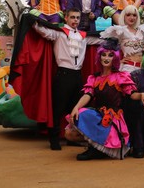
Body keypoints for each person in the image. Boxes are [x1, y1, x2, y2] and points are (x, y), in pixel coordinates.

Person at [32, 8, 103, 150]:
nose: (75, 20)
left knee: (75, 108)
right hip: (63, 75)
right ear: (66, 18)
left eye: (77, 17)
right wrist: (32, 20)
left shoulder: (84, 36)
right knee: (58, 109)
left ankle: (71, 137)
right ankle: (54, 139)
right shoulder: (58, 34)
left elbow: (99, 39)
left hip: (77, 76)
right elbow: (43, 31)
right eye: (72, 17)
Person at [65, 41, 139, 160]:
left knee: (86, 114)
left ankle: (96, 149)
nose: (106, 58)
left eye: (110, 55)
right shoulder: (94, 78)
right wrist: (76, 107)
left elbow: (132, 94)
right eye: (104, 54)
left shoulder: (121, 76)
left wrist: (143, 96)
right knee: (70, 132)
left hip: (113, 119)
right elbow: (87, 94)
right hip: (98, 115)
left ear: (115, 58)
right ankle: (96, 147)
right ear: (99, 57)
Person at [101, 5, 144, 73]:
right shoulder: (120, 31)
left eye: (134, 15)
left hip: (142, 69)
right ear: (124, 16)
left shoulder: (143, 31)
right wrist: (117, 61)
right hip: (127, 69)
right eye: (128, 15)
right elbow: (106, 48)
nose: (131, 18)